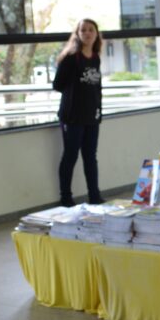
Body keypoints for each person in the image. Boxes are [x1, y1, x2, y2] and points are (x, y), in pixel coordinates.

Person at [53, 19, 104, 206]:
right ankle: (65, 198)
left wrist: (99, 111)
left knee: (91, 157)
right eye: (83, 30)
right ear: (78, 33)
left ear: (96, 34)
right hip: (72, 117)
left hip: (92, 116)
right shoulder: (71, 58)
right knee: (70, 155)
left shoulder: (96, 57)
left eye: (91, 30)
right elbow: (57, 85)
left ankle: (94, 196)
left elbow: (97, 87)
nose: (87, 33)